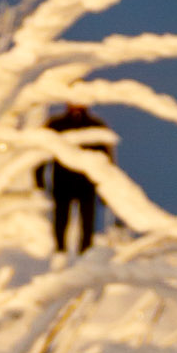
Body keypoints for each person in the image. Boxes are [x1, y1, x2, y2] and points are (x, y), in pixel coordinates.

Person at [37, 102, 115, 254]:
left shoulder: (96, 126)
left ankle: (85, 257)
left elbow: (106, 160)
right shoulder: (56, 125)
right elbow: (41, 154)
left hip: (87, 185)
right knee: (60, 223)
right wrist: (39, 180)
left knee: (87, 226)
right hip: (62, 183)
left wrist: (107, 187)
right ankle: (60, 255)